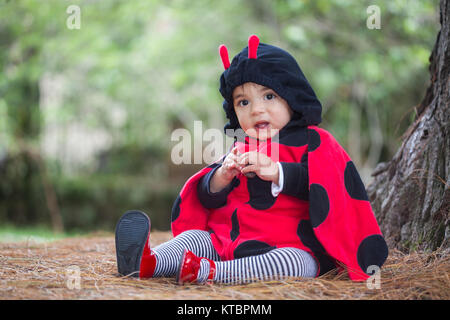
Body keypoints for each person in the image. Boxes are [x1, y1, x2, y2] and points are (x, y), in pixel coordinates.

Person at [115, 35, 388, 285]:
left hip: (286, 245)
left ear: (292, 97)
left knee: (298, 264)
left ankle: (209, 272)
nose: (257, 109)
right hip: (228, 242)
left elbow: (329, 187)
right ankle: (151, 261)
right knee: (195, 238)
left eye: (269, 96)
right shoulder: (241, 146)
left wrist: (279, 171)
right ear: (233, 111)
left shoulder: (314, 141)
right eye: (243, 102)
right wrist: (220, 178)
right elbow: (208, 200)